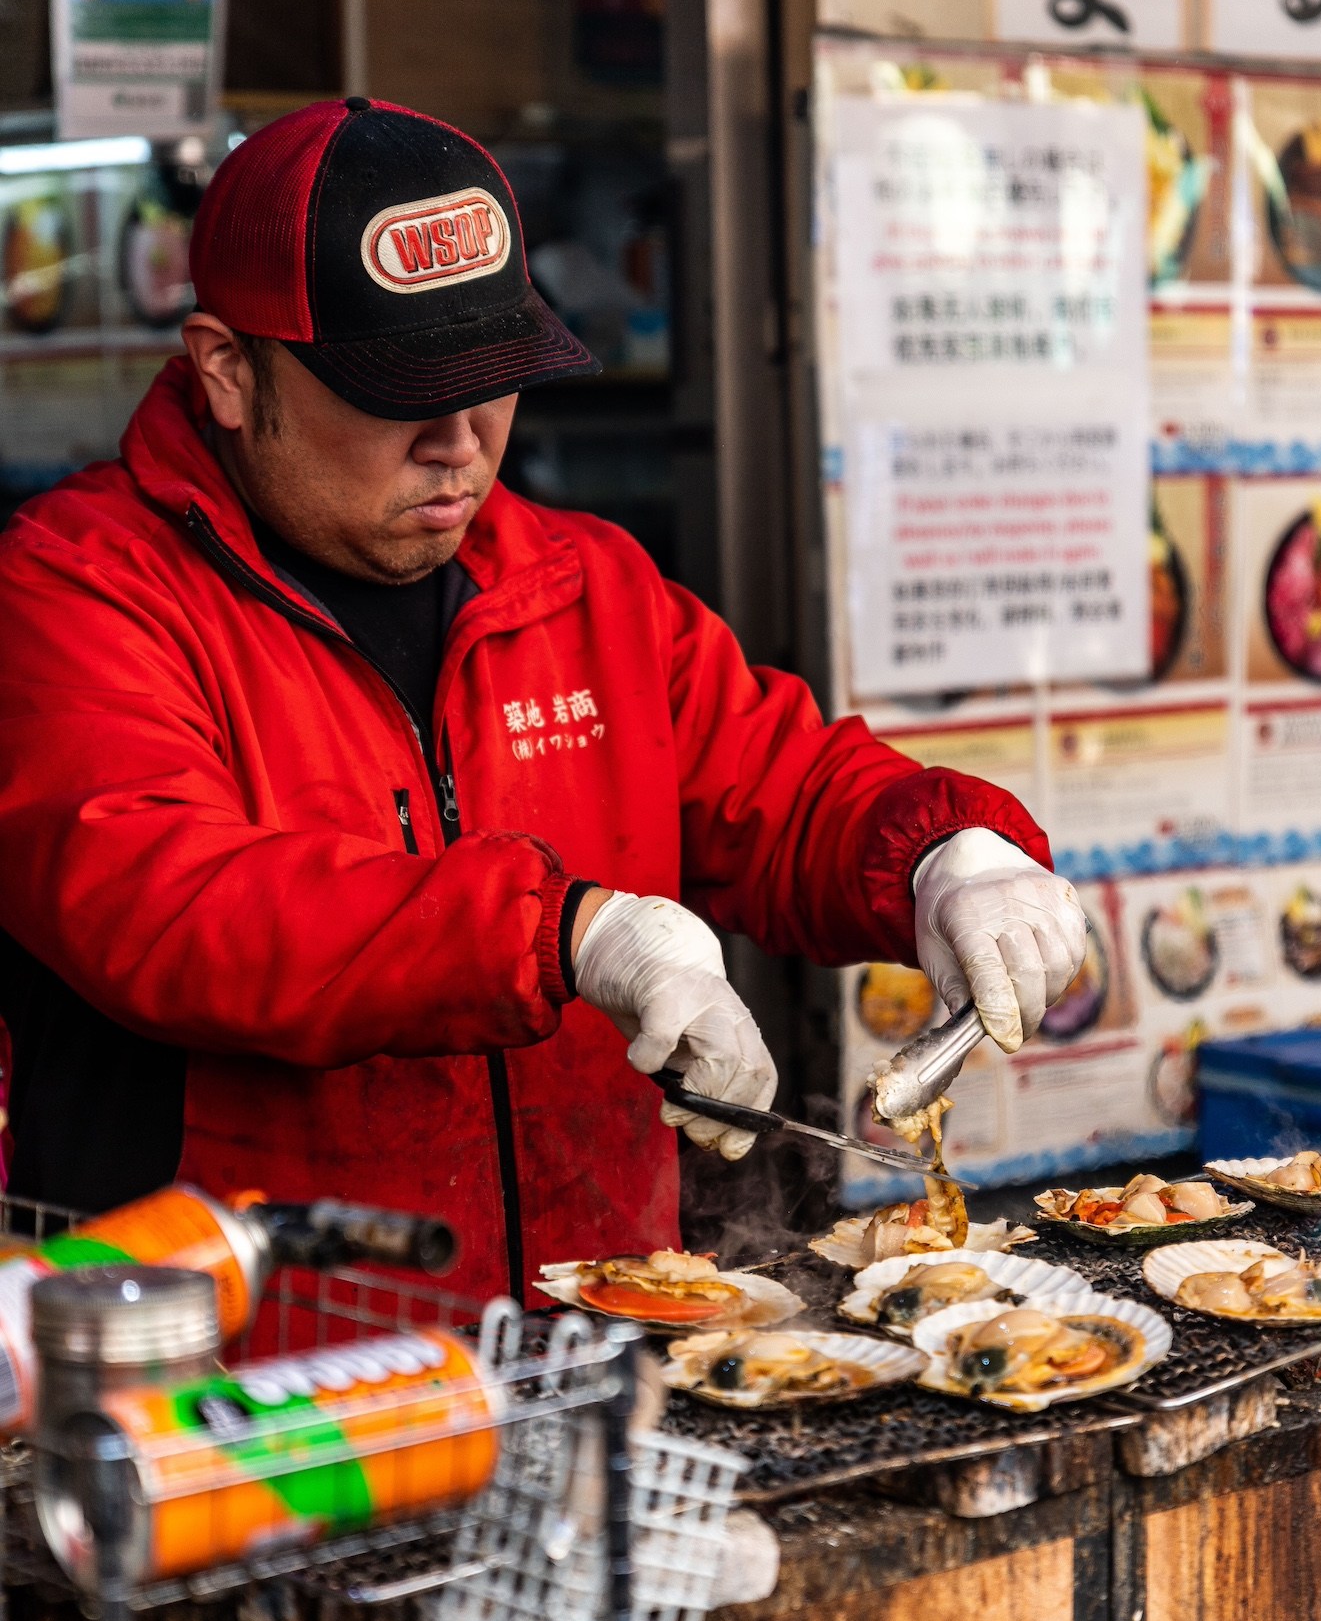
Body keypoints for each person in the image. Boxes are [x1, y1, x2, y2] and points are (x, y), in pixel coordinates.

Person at [0, 98, 1085, 1303]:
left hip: (597, 1334)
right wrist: (564, 931)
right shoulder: (76, 588)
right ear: (228, 371)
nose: (461, 442)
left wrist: (946, 851)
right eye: (400, 390)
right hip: (255, 1383)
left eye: (497, 380)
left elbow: (782, 788)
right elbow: (169, 901)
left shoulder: (582, 582)